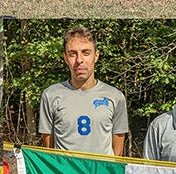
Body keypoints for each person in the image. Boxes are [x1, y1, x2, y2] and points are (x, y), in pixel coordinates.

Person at [38, 27, 129, 155]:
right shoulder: (51, 95)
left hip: (100, 173)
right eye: (72, 54)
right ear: (65, 58)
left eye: (86, 53)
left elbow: (118, 150)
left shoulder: (115, 97)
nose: (79, 60)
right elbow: (48, 148)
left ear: (96, 56)